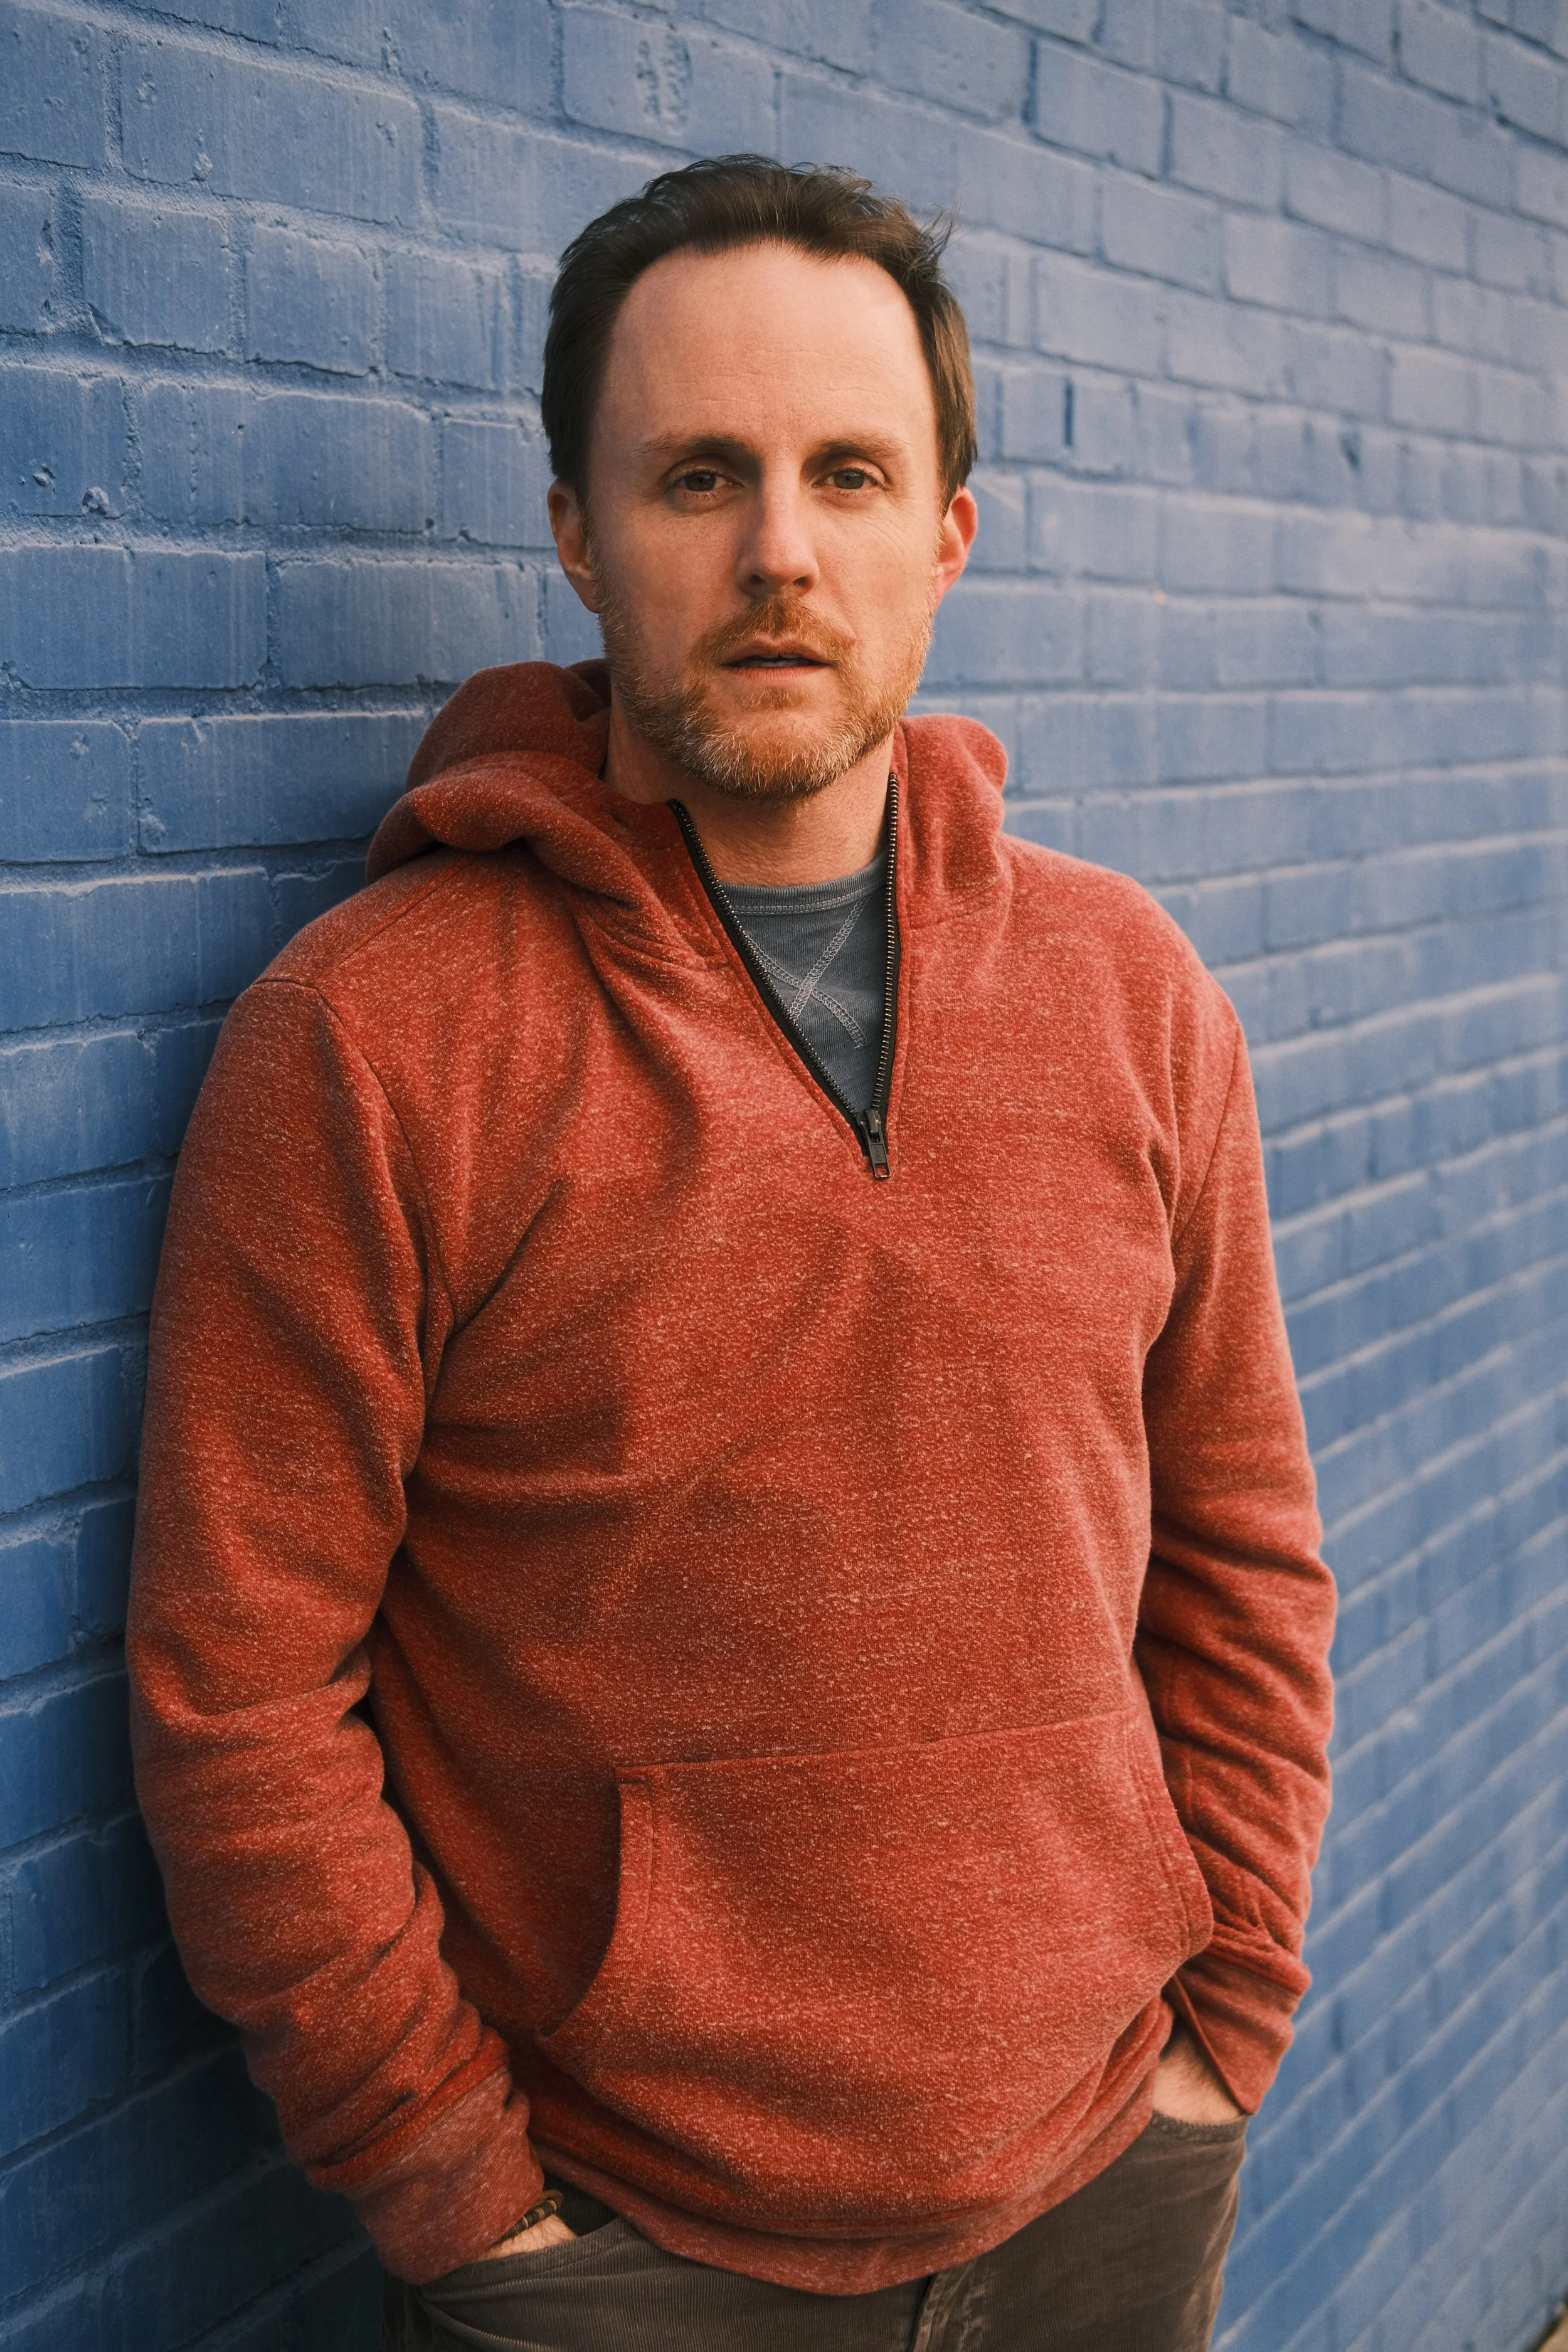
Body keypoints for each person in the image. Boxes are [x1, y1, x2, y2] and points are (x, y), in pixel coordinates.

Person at [127, 156, 1336, 2352]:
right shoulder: (376, 1037)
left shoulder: (1134, 996)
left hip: (1106, 2182)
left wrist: (1223, 2007)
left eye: (848, 473)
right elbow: (238, 1698)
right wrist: (462, 2195)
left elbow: (1242, 1537)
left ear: (943, 537)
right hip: (627, 2260)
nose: (780, 550)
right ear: (580, 535)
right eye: (700, 475)